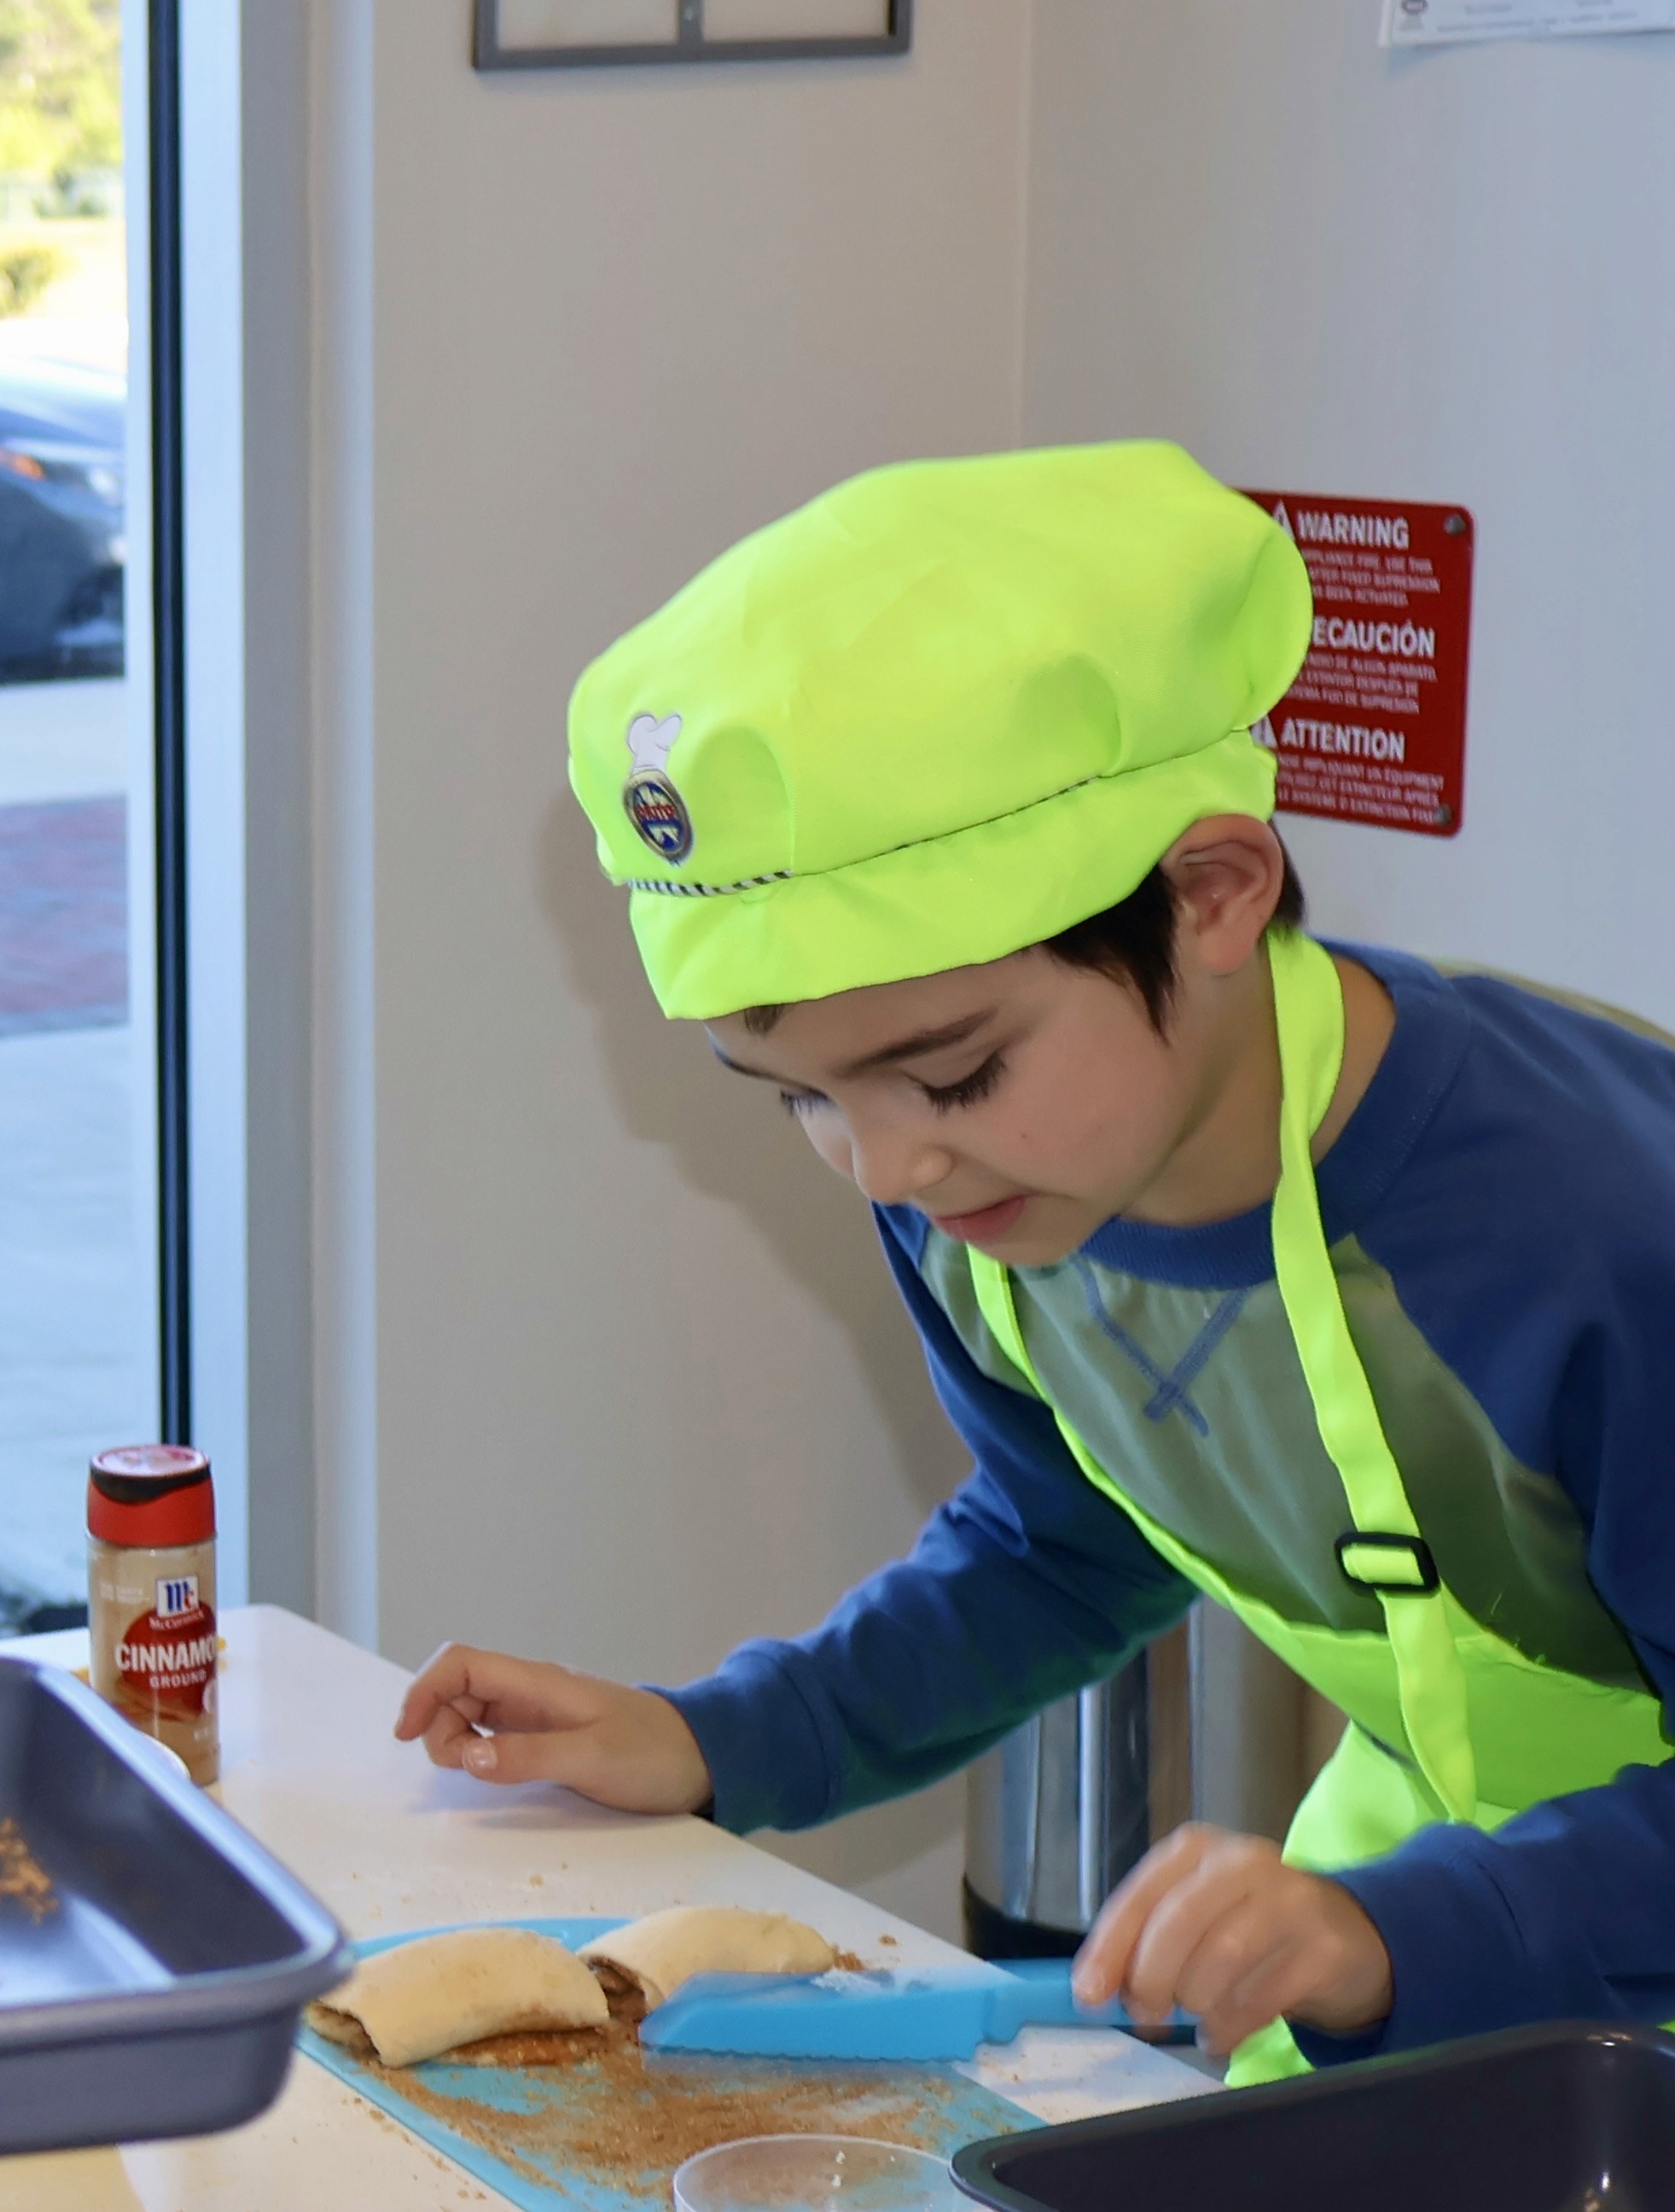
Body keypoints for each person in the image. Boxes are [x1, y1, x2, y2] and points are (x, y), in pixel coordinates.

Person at [392, 442, 1675, 2077]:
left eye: (952, 1072)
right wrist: (722, 1739)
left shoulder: (1598, 1233)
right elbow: (1066, 1547)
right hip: (1434, 1955)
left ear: (1213, 894)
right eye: (799, 1097)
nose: (888, 1165)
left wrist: (1399, 1934)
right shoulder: (995, 1193)